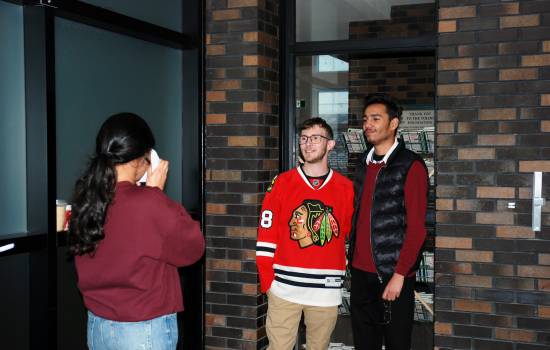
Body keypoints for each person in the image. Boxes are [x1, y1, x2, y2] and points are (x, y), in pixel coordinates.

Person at [68, 113, 205, 350]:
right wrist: (155, 194)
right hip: (143, 330)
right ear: (144, 157)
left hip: (97, 326)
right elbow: (193, 247)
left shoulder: (88, 200)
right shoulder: (148, 203)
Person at [256, 118, 354, 350]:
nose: (308, 144)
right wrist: (268, 282)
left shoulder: (346, 187)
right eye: (304, 138)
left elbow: (351, 236)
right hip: (284, 289)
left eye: (316, 138)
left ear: (330, 144)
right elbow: (266, 236)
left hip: (326, 292)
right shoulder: (282, 183)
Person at [348, 93, 428, 350]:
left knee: (396, 343)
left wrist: (399, 274)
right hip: (361, 274)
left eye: (375, 118)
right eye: (365, 119)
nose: (367, 125)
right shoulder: (362, 162)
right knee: (364, 343)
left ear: (393, 124)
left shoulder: (410, 165)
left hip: (392, 275)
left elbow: (416, 229)